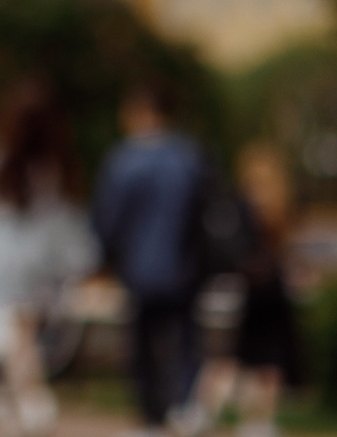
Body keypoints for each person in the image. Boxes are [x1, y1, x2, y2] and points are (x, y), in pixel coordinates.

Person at [0, 80, 98, 437]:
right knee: (23, 331)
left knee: (16, 333)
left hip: (0, 259)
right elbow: (68, 214)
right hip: (43, 260)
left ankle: (30, 400)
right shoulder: (58, 161)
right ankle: (23, 398)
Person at [92, 80, 211, 437]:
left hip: (140, 268)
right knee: (185, 340)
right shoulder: (191, 156)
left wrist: (103, 258)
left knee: (143, 344)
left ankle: (151, 418)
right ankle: (185, 406)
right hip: (186, 266)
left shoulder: (124, 161)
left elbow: (107, 220)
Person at [194, 144, 300, 437]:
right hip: (271, 294)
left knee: (231, 358)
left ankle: (206, 412)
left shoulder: (240, 206)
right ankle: (259, 422)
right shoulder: (278, 203)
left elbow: (235, 251)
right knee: (266, 364)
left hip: (250, 292)